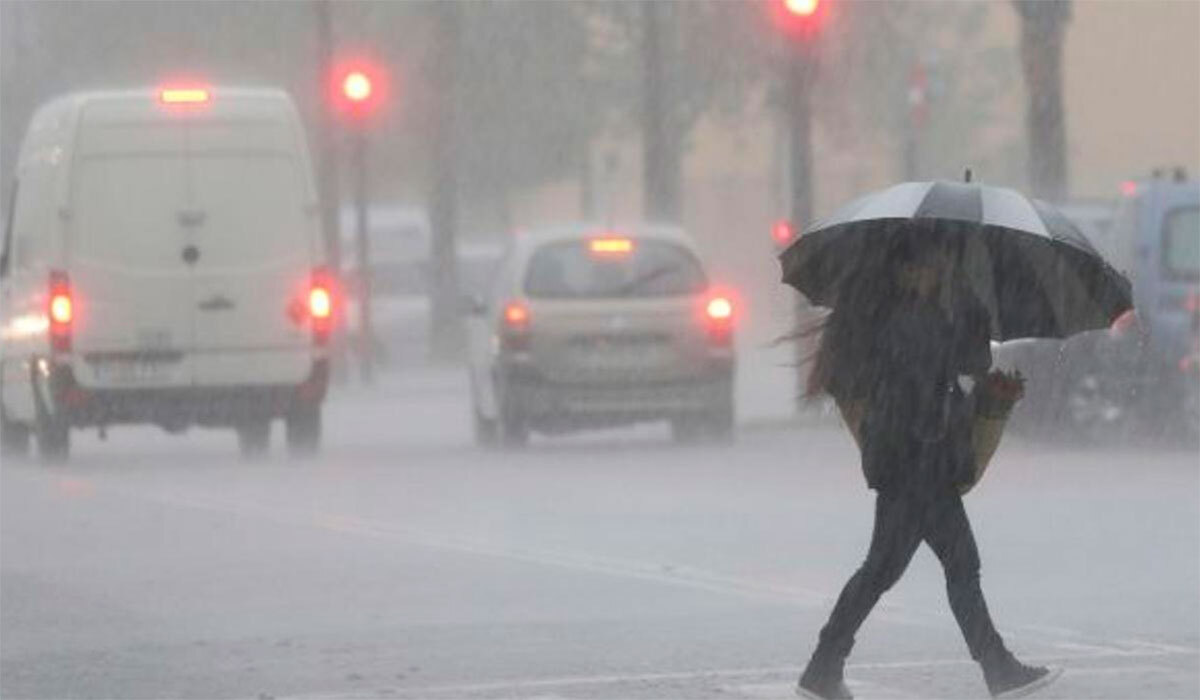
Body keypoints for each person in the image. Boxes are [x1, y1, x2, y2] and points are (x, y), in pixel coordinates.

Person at [796, 226, 1061, 700]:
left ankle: (824, 665)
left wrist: (963, 310)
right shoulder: (913, 321)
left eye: (940, 262)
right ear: (907, 271)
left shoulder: (903, 317)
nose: (937, 271)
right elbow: (963, 361)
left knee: (886, 569)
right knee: (953, 567)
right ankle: (997, 669)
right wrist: (971, 309)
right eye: (932, 263)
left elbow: (954, 371)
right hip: (917, 462)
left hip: (911, 461)